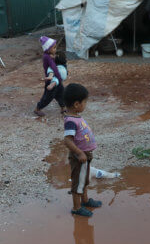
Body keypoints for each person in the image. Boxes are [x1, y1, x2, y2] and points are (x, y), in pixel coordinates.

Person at [63, 83, 102, 217]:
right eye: (85, 102)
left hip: (85, 156)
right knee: (77, 183)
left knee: (84, 180)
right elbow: (67, 140)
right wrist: (79, 153)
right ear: (76, 104)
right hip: (79, 157)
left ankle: (85, 201)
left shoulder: (76, 116)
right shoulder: (70, 121)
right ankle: (76, 207)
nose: (86, 105)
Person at [34, 36, 66, 117]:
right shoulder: (47, 57)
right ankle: (38, 108)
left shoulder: (49, 55)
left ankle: (63, 107)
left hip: (56, 79)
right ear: (48, 49)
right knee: (48, 97)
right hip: (51, 80)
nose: (55, 49)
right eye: (54, 48)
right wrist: (59, 76)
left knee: (61, 93)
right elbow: (54, 67)